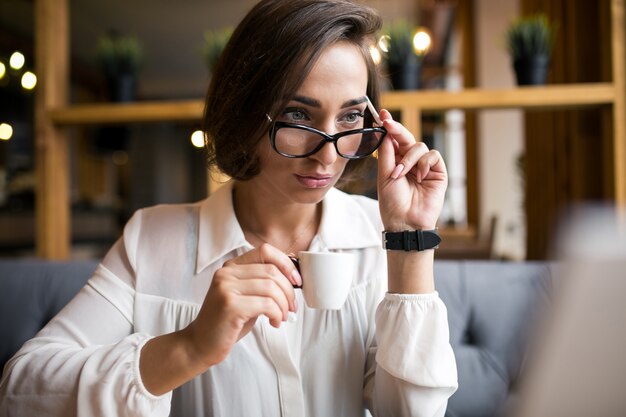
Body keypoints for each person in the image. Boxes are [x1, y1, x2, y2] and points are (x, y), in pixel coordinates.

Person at [0, 0, 458, 416]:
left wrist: (409, 243)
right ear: (243, 112)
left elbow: (413, 412)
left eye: (350, 117)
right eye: (298, 116)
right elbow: (21, 391)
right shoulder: (153, 240)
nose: (328, 155)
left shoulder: (376, 237)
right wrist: (190, 346)